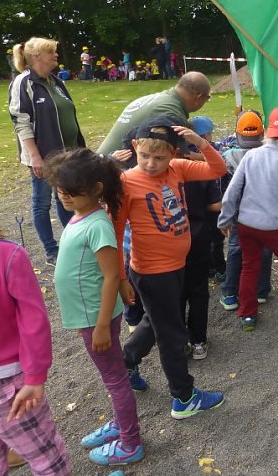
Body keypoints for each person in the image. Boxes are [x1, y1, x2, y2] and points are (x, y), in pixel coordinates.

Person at [0, 151, 71, 475]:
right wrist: (35, 377)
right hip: (4, 383)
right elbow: (33, 322)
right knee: (49, 460)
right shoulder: (8, 257)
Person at [113, 120, 227, 419]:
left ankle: (126, 362)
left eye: (160, 158)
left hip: (178, 265)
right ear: (136, 148)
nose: (152, 164)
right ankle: (183, 397)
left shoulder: (178, 168)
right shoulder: (126, 184)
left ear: (173, 154)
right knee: (172, 334)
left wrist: (201, 144)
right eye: (145, 156)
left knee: (157, 321)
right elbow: (113, 233)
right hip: (152, 271)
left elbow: (218, 169)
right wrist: (120, 278)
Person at [42, 148, 143, 467]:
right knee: (112, 376)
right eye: (59, 188)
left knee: (115, 378)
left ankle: (130, 442)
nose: (62, 195)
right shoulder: (81, 213)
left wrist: (101, 325)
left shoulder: (97, 223)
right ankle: (120, 424)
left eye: (70, 190)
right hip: (89, 313)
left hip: (94, 316)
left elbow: (112, 273)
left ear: (96, 189)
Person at [218, 106, 278, 331]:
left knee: (249, 266)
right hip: (273, 227)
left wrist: (225, 219)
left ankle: (247, 315)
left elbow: (232, 192)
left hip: (246, 224)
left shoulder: (251, 156)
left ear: (267, 131)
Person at [9, 36, 86, 264]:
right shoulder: (24, 83)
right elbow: (21, 122)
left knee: (66, 197)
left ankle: (72, 242)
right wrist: (35, 157)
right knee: (42, 201)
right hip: (43, 156)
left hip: (68, 155)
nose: (56, 55)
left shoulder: (56, 82)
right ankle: (51, 250)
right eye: (51, 52)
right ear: (36, 56)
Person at [218, 110, 274, 310]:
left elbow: (226, 191)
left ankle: (231, 293)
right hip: (266, 214)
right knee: (265, 249)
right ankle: (261, 290)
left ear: (237, 135)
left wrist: (224, 217)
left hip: (239, 216)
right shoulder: (272, 155)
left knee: (236, 250)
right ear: (262, 134)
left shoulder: (228, 156)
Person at [181, 117, 223, 361]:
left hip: (170, 246)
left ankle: (180, 341)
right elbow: (214, 204)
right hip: (197, 239)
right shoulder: (198, 171)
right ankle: (198, 341)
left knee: (176, 294)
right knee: (197, 293)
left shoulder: (153, 175)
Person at [96, 71, 212, 156]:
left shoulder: (157, 98)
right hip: (114, 174)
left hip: (102, 162)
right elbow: (176, 156)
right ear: (199, 97)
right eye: (207, 98)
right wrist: (211, 156)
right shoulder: (172, 112)